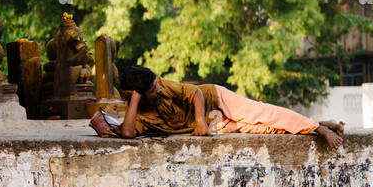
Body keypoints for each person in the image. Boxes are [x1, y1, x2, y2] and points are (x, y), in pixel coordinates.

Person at [90, 63, 344, 149]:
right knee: (263, 129)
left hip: (216, 100)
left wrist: (199, 121)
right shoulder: (140, 114)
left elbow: (196, 92)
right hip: (215, 122)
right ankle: (316, 125)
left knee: (263, 113)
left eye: (154, 86)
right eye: (150, 91)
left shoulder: (160, 84)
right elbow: (127, 133)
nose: (156, 90)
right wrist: (135, 98)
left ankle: (318, 128)